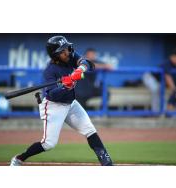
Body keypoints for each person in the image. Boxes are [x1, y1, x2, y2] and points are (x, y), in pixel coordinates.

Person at [10, 36, 113, 166]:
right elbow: (52, 94)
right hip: (54, 106)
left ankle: (107, 163)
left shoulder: (71, 56)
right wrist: (65, 86)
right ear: (55, 55)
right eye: (63, 51)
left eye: (67, 49)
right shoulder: (50, 72)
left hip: (71, 103)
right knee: (48, 144)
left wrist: (80, 69)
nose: (67, 52)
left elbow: (89, 64)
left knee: (90, 130)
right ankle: (19, 159)